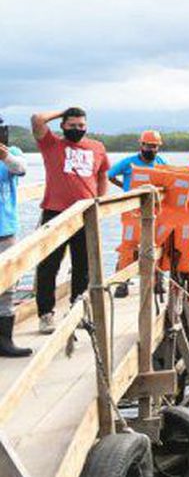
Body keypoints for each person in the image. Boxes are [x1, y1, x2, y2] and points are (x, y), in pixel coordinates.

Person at [31, 107, 110, 334]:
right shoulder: (52, 144)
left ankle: (78, 310)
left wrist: (100, 201)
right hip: (55, 212)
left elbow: (103, 174)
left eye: (81, 125)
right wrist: (64, 111)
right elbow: (37, 120)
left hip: (85, 212)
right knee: (49, 266)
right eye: (72, 125)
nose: (77, 129)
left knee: (83, 265)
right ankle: (46, 314)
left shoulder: (97, 147)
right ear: (63, 126)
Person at [0, 116, 31, 357]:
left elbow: (20, 168)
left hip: (5, 229)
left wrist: (5, 155)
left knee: (8, 286)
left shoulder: (12, 152)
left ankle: (5, 341)